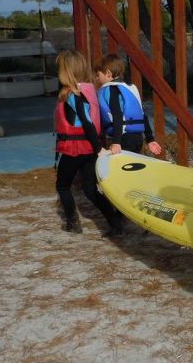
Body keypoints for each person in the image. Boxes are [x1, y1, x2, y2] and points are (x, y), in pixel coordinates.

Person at [54, 50, 124, 237]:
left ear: (65, 71)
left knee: (62, 185)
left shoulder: (71, 94)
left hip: (75, 149)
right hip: (89, 148)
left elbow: (86, 121)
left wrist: (99, 149)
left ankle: (72, 222)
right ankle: (115, 223)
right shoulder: (87, 90)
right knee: (90, 189)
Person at [94, 54, 162, 156]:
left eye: (98, 75)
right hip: (138, 138)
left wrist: (116, 142)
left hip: (123, 139)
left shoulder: (112, 90)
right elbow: (143, 116)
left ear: (108, 73)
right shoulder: (130, 88)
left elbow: (117, 115)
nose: (97, 78)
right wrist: (150, 139)